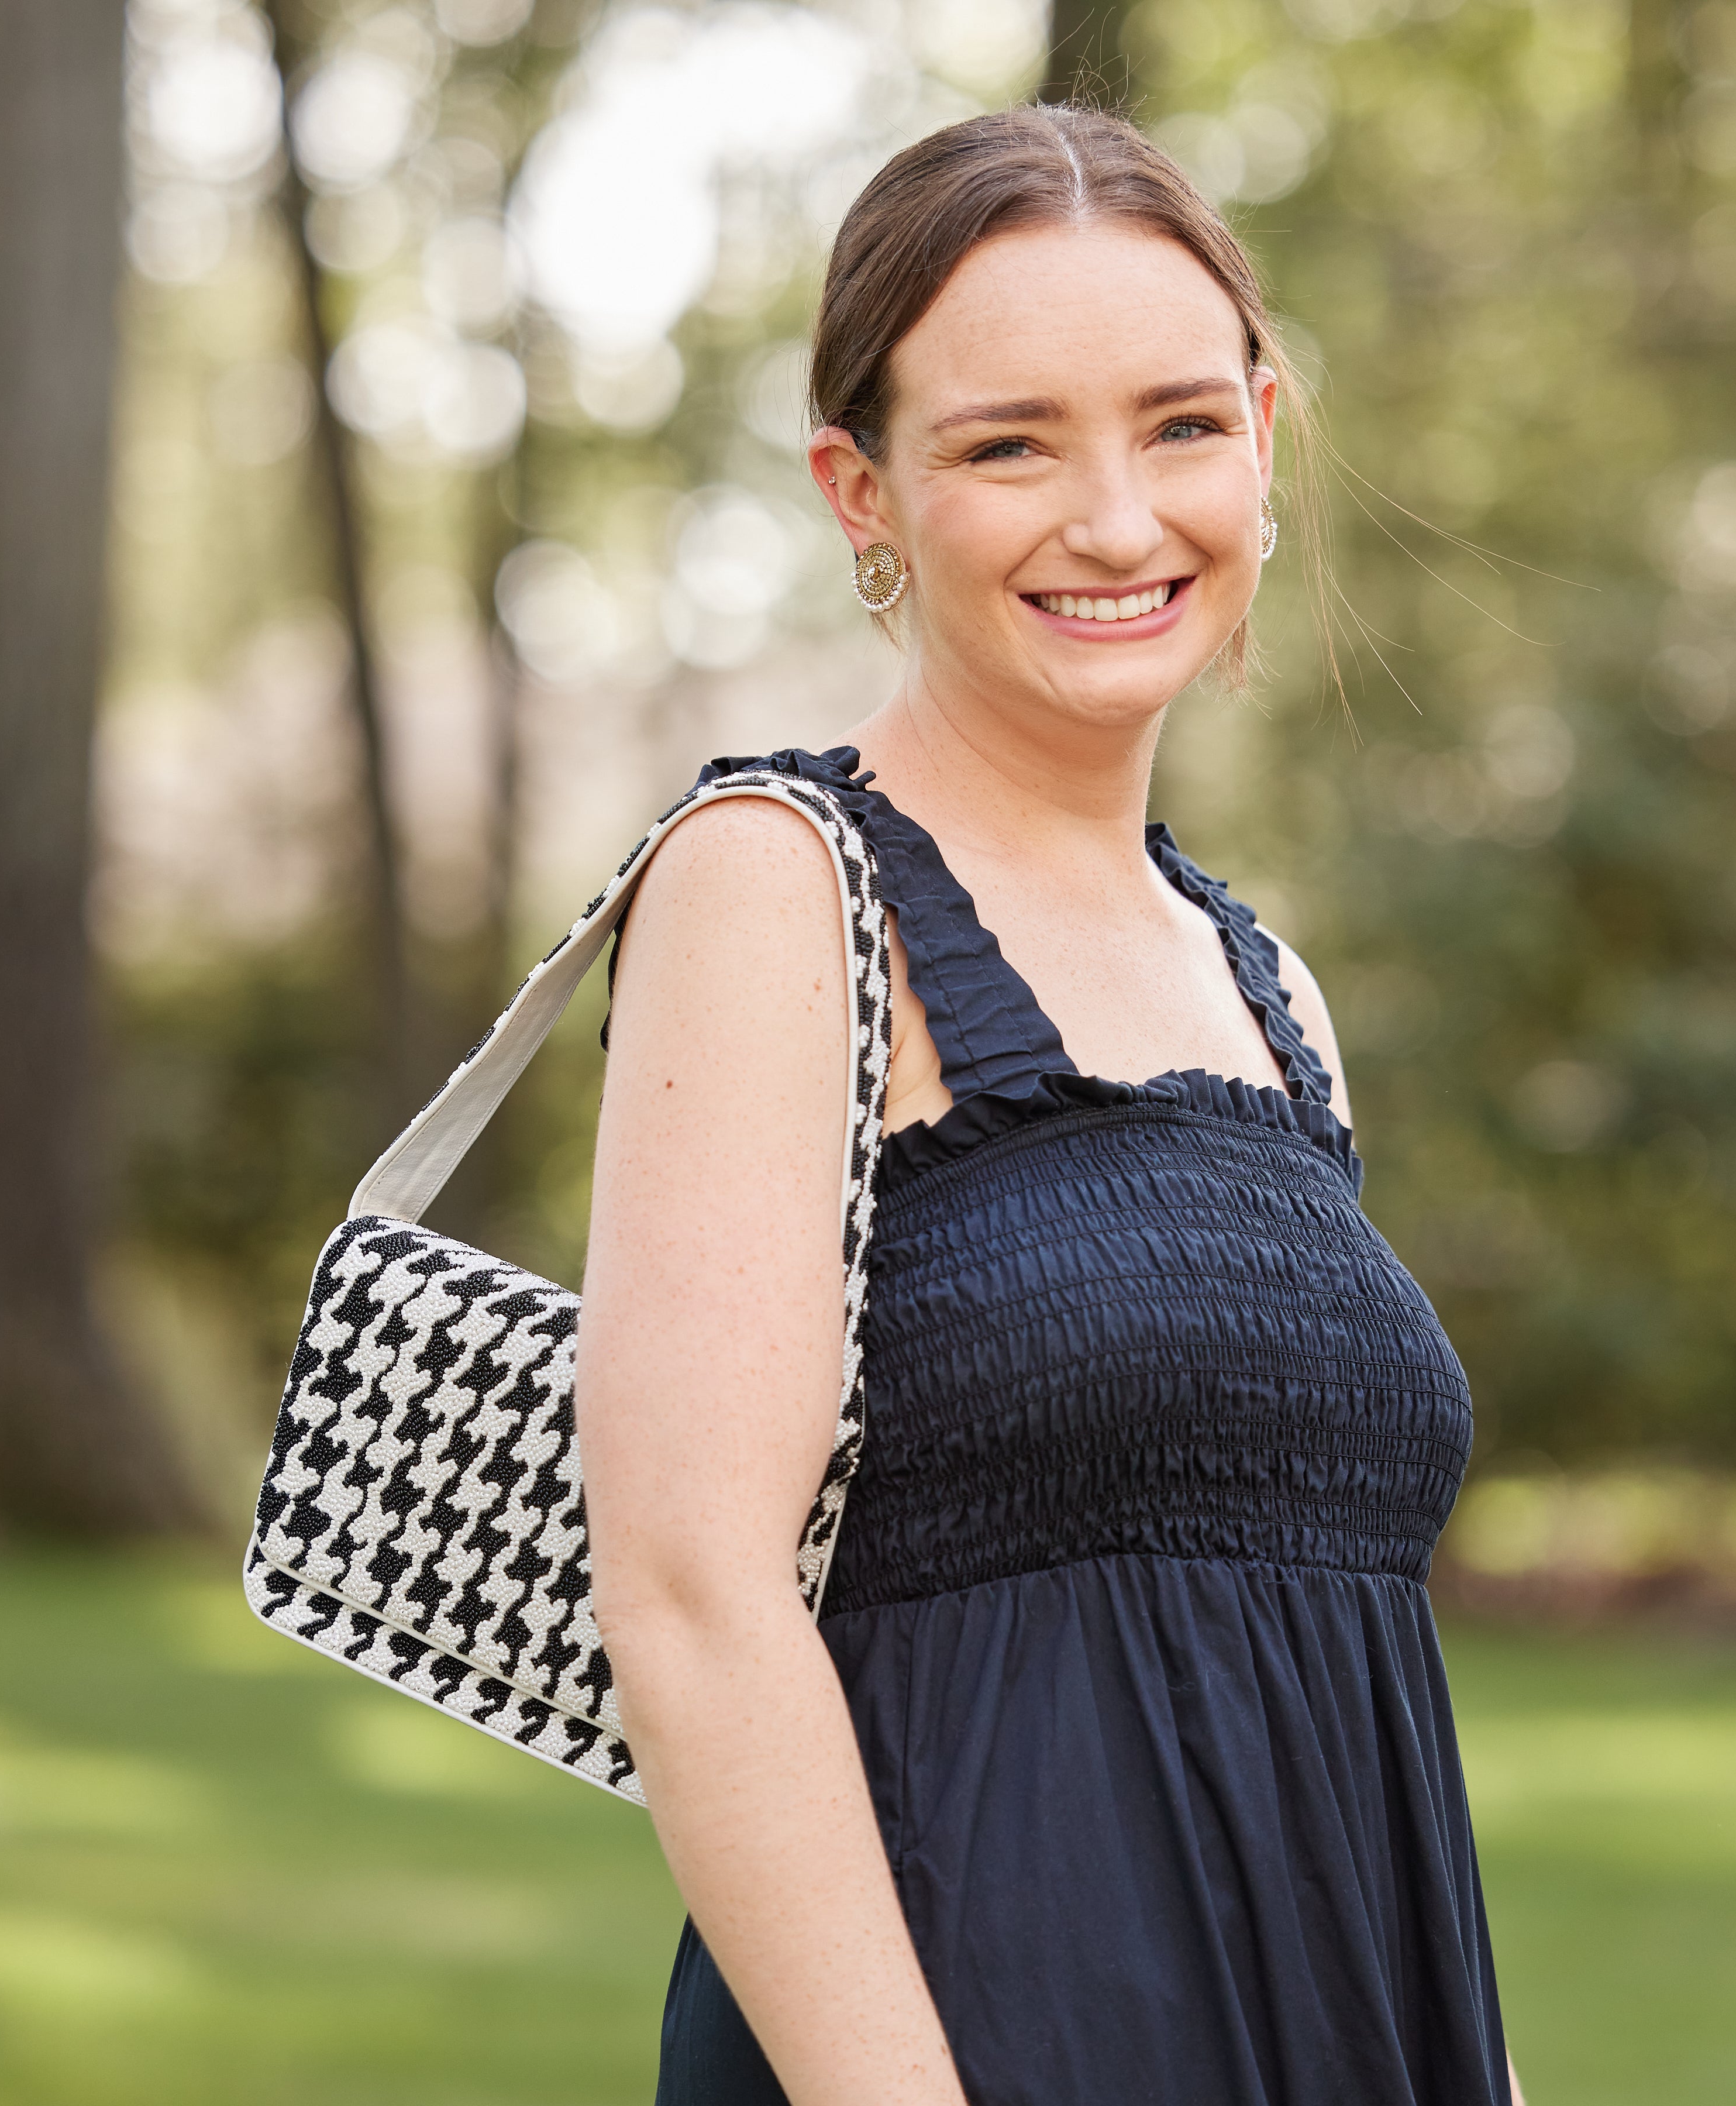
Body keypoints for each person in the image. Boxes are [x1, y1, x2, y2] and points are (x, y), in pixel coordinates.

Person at [577, 103, 1522, 2106]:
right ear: (867, 492)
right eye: (1011, 445)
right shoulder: (781, 882)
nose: (1116, 520)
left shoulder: (1268, 992)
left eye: (1181, 425)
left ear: (1267, 438)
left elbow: (1335, 1695)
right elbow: (688, 1598)